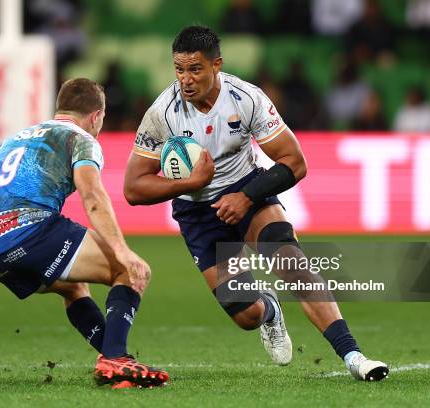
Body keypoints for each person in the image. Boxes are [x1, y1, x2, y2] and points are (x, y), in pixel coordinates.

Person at [123, 25, 388, 381]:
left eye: (195, 69)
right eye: (179, 69)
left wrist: (246, 196)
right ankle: (270, 311)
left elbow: (295, 162)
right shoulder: (163, 113)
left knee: (294, 265)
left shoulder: (246, 99)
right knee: (246, 315)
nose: (186, 79)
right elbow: (133, 188)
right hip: (198, 211)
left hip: (247, 188)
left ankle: (354, 356)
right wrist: (190, 183)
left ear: (216, 65)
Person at [0, 78, 169, 389]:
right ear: (96, 115)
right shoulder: (80, 139)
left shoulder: (15, 140)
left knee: (74, 288)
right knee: (129, 271)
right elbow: (92, 196)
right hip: (31, 231)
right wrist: (121, 249)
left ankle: (116, 364)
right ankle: (116, 359)